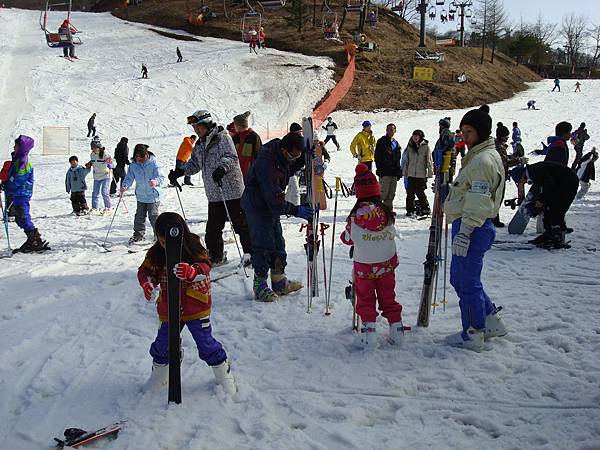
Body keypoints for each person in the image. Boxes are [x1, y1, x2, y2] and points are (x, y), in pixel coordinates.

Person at [137, 212, 236, 394]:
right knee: (162, 343)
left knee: (205, 343)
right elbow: (145, 271)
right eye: (163, 241)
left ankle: (223, 370)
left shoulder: (192, 245)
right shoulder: (156, 252)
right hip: (168, 307)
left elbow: (206, 266)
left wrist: (192, 271)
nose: (167, 246)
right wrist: (147, 284)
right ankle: (160, 374)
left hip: (195, 305)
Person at [444, 108, 506, 352]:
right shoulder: (479, 156)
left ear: (481, 132)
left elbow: (479, 201)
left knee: (465, 281)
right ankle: (490, 320)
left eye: (469, 132)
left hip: (473, 226)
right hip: (472, 224)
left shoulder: (481, 161)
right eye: (463, 131)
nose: (464, 137)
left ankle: (473, 332)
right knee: (462, 278)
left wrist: (465, 231)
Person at [169, 110, 252, 265]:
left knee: (241, 225)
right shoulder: (199, 145)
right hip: (214, 194)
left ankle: (250, 253)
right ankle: (215, 255)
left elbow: (231, 158)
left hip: (232, 191)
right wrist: (180, 171)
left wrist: (222, 168)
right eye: (194, 128)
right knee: (213, 229)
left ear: (207, 124)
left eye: (198, 127)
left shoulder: (222, 138)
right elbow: (194, 164)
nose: (196, 130)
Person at [240, 132, 311, 301]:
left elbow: (288, 169)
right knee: (263, 244)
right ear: (284, 150)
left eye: (297, 154)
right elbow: (275, 201)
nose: (294, 158)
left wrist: (303, 159)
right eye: (293, 155)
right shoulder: (267, 165)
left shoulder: (280, 156)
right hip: (257, 206)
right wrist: (295, 210)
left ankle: (279, 282)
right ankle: (260, 285)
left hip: (269, 205)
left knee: (278, 241)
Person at [340, 163, 403, 349]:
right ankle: (397, 331)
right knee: (387, 296)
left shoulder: (355, 218)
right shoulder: (387, 213)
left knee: (365, 298)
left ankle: (369, 335)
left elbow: (347, 239)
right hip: (386, 264)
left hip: (364, 267)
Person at [510, 162, 579, 247]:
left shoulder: (534, 172)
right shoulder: (533, 170)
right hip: (563, 183)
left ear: (521, 176)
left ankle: (557, 237)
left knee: (556, 210)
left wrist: (541, 200)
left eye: (521, 181)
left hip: (568, 184)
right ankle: (549, 234)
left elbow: (549, 185)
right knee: (549, 209)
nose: (523, 183)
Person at [2, 135, 48, 252]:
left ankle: (35, 239)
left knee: (23, 215)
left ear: (22, 147)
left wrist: (8, 183)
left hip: (22, 192)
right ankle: (32, 238)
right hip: (17, 192)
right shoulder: (18, 159)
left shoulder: (23, 161)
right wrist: (6, 185)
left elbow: (19, 178)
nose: (14, 147)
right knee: (19, 217)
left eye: (16, 145)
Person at [121, 144, 164, 245]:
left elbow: (162, 178)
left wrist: (155, 181)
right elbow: (129, 177)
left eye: (142, 156)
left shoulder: (154, 163)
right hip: (141, 195)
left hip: (153, 195)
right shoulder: (133, 165)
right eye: (138, 157)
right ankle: (138, 235)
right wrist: (125, 185)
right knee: (139, 216)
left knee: (153, 216)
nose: (140, 159)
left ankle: (158, 236)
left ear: (146, 154)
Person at [493, 123, 523, 227]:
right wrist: (519, 160)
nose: (507, 138)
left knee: (496, 198)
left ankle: (494, 218)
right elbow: (505, 162)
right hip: (498, 176)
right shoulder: (499, 147)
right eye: (506, 136)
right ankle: (494, 219)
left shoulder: (497, 145)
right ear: (502, 136)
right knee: (497, 198)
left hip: (497, 175)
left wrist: (513, 156)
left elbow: (505, 158)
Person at [403, 129, 433, 217]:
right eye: (414, 136)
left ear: (420, 137)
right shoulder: (410, 147)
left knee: (420, 193)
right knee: (410, 193)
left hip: (421, 174)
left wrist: (430, 172)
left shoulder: (425, 147)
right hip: (411, 174)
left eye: (417, 136)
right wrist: (405, 172)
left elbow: (429, 160)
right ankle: (410, 210)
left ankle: (425, 208)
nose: (415, 137)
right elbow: (406, 160)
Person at [374, 123, 401, 210]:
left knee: (391, 193)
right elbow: (377, 157)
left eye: (392, 129)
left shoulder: (396, 143)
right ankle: (378, 210)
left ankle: (388, 210)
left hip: (394, 172)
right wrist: (379, 169)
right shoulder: (381, 142)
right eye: (389, 129)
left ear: (395, 131)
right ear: (386, 130)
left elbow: (398, 159)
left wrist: (399, 171)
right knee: (383, 193)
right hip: (384, 172)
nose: (391, 131)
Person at [232, 111, 262, 180]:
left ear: (239, 126)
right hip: (237, 175)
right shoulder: (235, 138)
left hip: (250, 176)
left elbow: (259, 157)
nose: (234, 127)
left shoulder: (254, 137)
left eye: (235, 125)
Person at [87, 138, 113, 213]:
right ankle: (94, 207)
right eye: (93, 148)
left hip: (105, 175)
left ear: (100, 147)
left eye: (97, 148)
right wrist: (89, 163)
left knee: (104, 192)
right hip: (96, 176)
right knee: (95, 192)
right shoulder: (92, 155)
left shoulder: (105, 154)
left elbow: (111, 161)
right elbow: (93, 161)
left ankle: (108, 207)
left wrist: (110, 165)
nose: (95, 149)